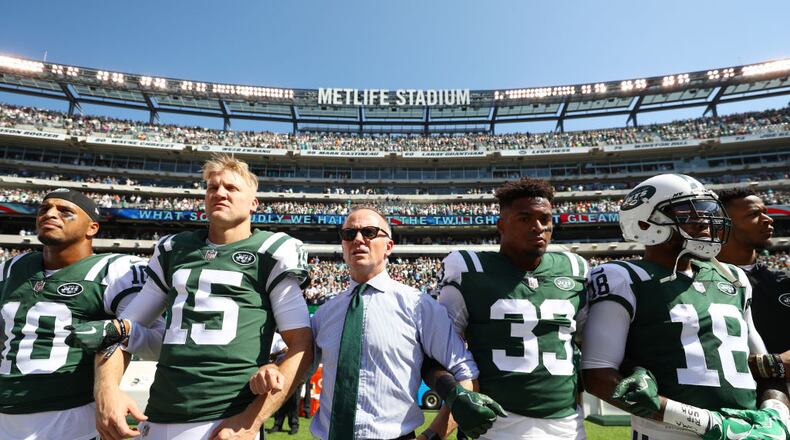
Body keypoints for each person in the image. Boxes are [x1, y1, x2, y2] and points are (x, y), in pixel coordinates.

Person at [91, 155, 314, 440]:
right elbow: (121, 330)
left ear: (253, 203)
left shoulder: (272, 251)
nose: (219, 193)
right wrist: (108, 391)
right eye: (212, 188)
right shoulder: (174, 249)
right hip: (160, 412)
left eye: (231, 188)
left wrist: (250, 422)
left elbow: (302, 345)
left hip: (227, 418)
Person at [583, 174, 790, 440]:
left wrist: (776, 414)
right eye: (688, 211)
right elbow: (598, 375)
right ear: (646, 223)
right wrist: (708, 424)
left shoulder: (733, 278)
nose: (704, 220)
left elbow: (763, 369)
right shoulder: (621, 277)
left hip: (748, 432)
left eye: (706, 210)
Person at [307, 206, 502, 440]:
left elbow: (465, 372)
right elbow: (298, 369)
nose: (357, 239)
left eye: (368, 232)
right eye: (349, 234)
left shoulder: (419, 305)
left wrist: (434, 435)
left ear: (389, 246)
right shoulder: (324, 314)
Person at [431, 177, 589, 439]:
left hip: (567, 425)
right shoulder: (468, 269)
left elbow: (592, 352)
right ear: (501, 225)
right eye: (525, 218)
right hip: (494, 424)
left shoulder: (575, 269)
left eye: (545, 219)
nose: (538, 227)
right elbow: (442, 353)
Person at [0, 188, 163, 440]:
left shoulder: (117, 270)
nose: (50, 214)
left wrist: (109, 389)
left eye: (65, 211)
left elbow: (146, 338)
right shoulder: (11, 268)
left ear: (92, 228)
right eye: (44, 209)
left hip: (70, 413)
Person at [716, 188, 790, 355]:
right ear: (722, 225)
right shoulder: (699, 283)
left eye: (766, 212)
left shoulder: (784, 281)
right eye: (754, 214)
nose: (768, 219)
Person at [266, 332, 301, 435]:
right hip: (277, 373)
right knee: (279, 401)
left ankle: (294, 425)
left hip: (290, 372)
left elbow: (286, 350)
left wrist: (273, 355)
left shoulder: (278, 337)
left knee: (293, 402)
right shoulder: (270, 336)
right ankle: (277, 425)